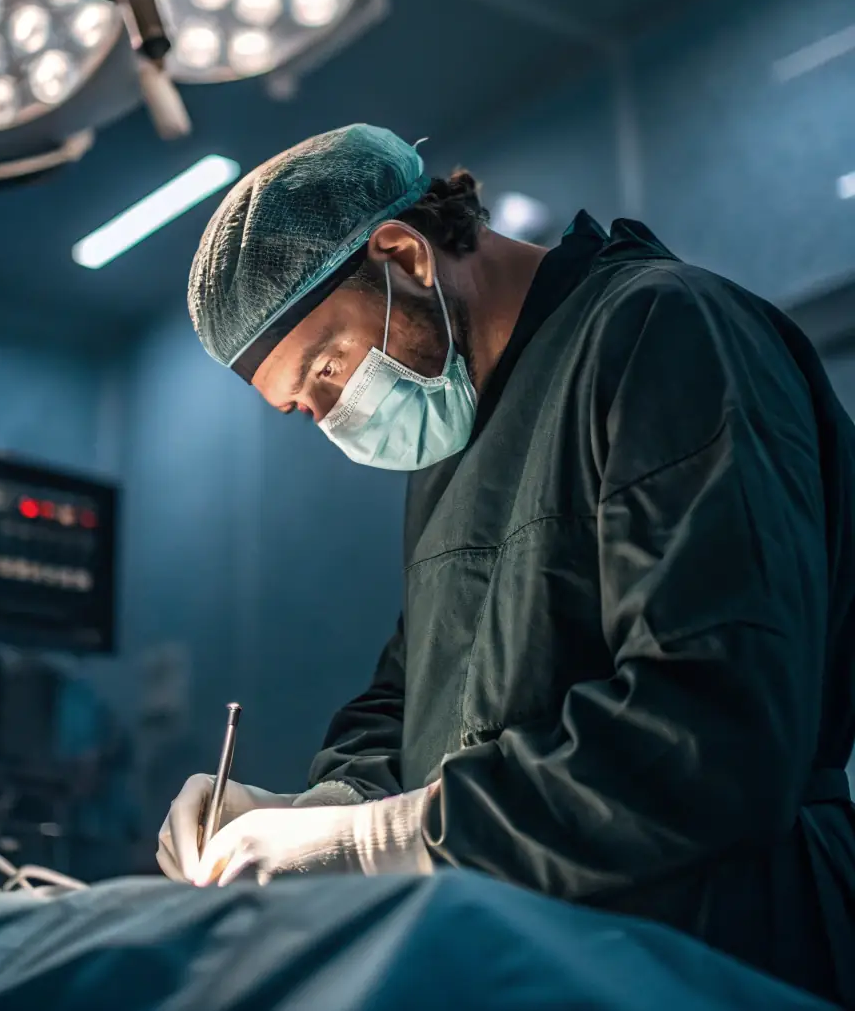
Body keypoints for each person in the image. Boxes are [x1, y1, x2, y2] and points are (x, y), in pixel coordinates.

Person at [158, 123, 855, 1006]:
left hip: (727, 943)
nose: (332, 416)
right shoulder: (453, 443)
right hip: (555, 951)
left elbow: (711, 731)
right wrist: (318, 805)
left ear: (406, 255)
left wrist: (382, 843)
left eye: (327, 369)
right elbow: (412, 698)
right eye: (305, 406)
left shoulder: (662, 333)